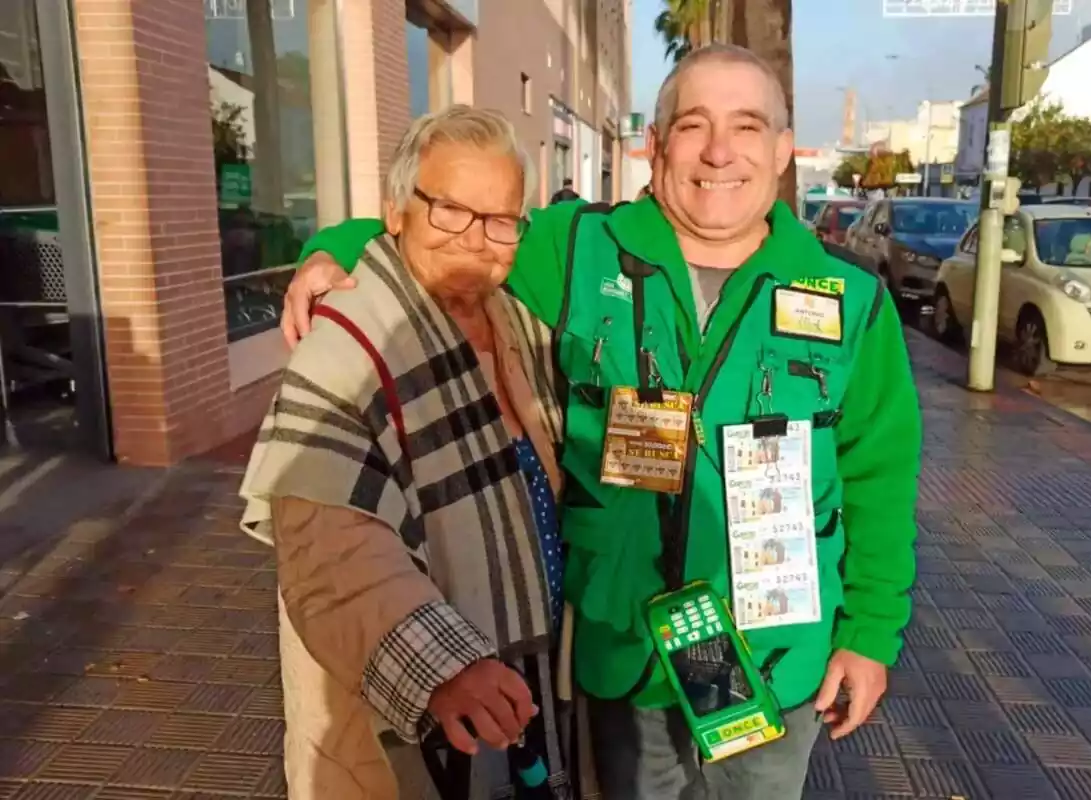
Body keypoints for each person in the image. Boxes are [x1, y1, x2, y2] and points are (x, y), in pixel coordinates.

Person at [280, 44, 921, 800]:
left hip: (776, 661)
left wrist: (870, 635)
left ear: (782, 151)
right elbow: (448, 239)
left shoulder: (850, 299)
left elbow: (878, 477)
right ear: (656, 144)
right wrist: (333, 253)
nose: (720, 152)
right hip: (625, 650)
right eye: (694, 125)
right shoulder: (579, 248)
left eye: (748, 128)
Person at [239, 106, 586, 799]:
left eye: (500, 220)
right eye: (450, 210)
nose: (475, 241)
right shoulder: (347, 343)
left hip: (527, 688)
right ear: (396, 212)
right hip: (417, 707)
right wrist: (441, 665)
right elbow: (332, 552)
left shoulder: (516, 321)